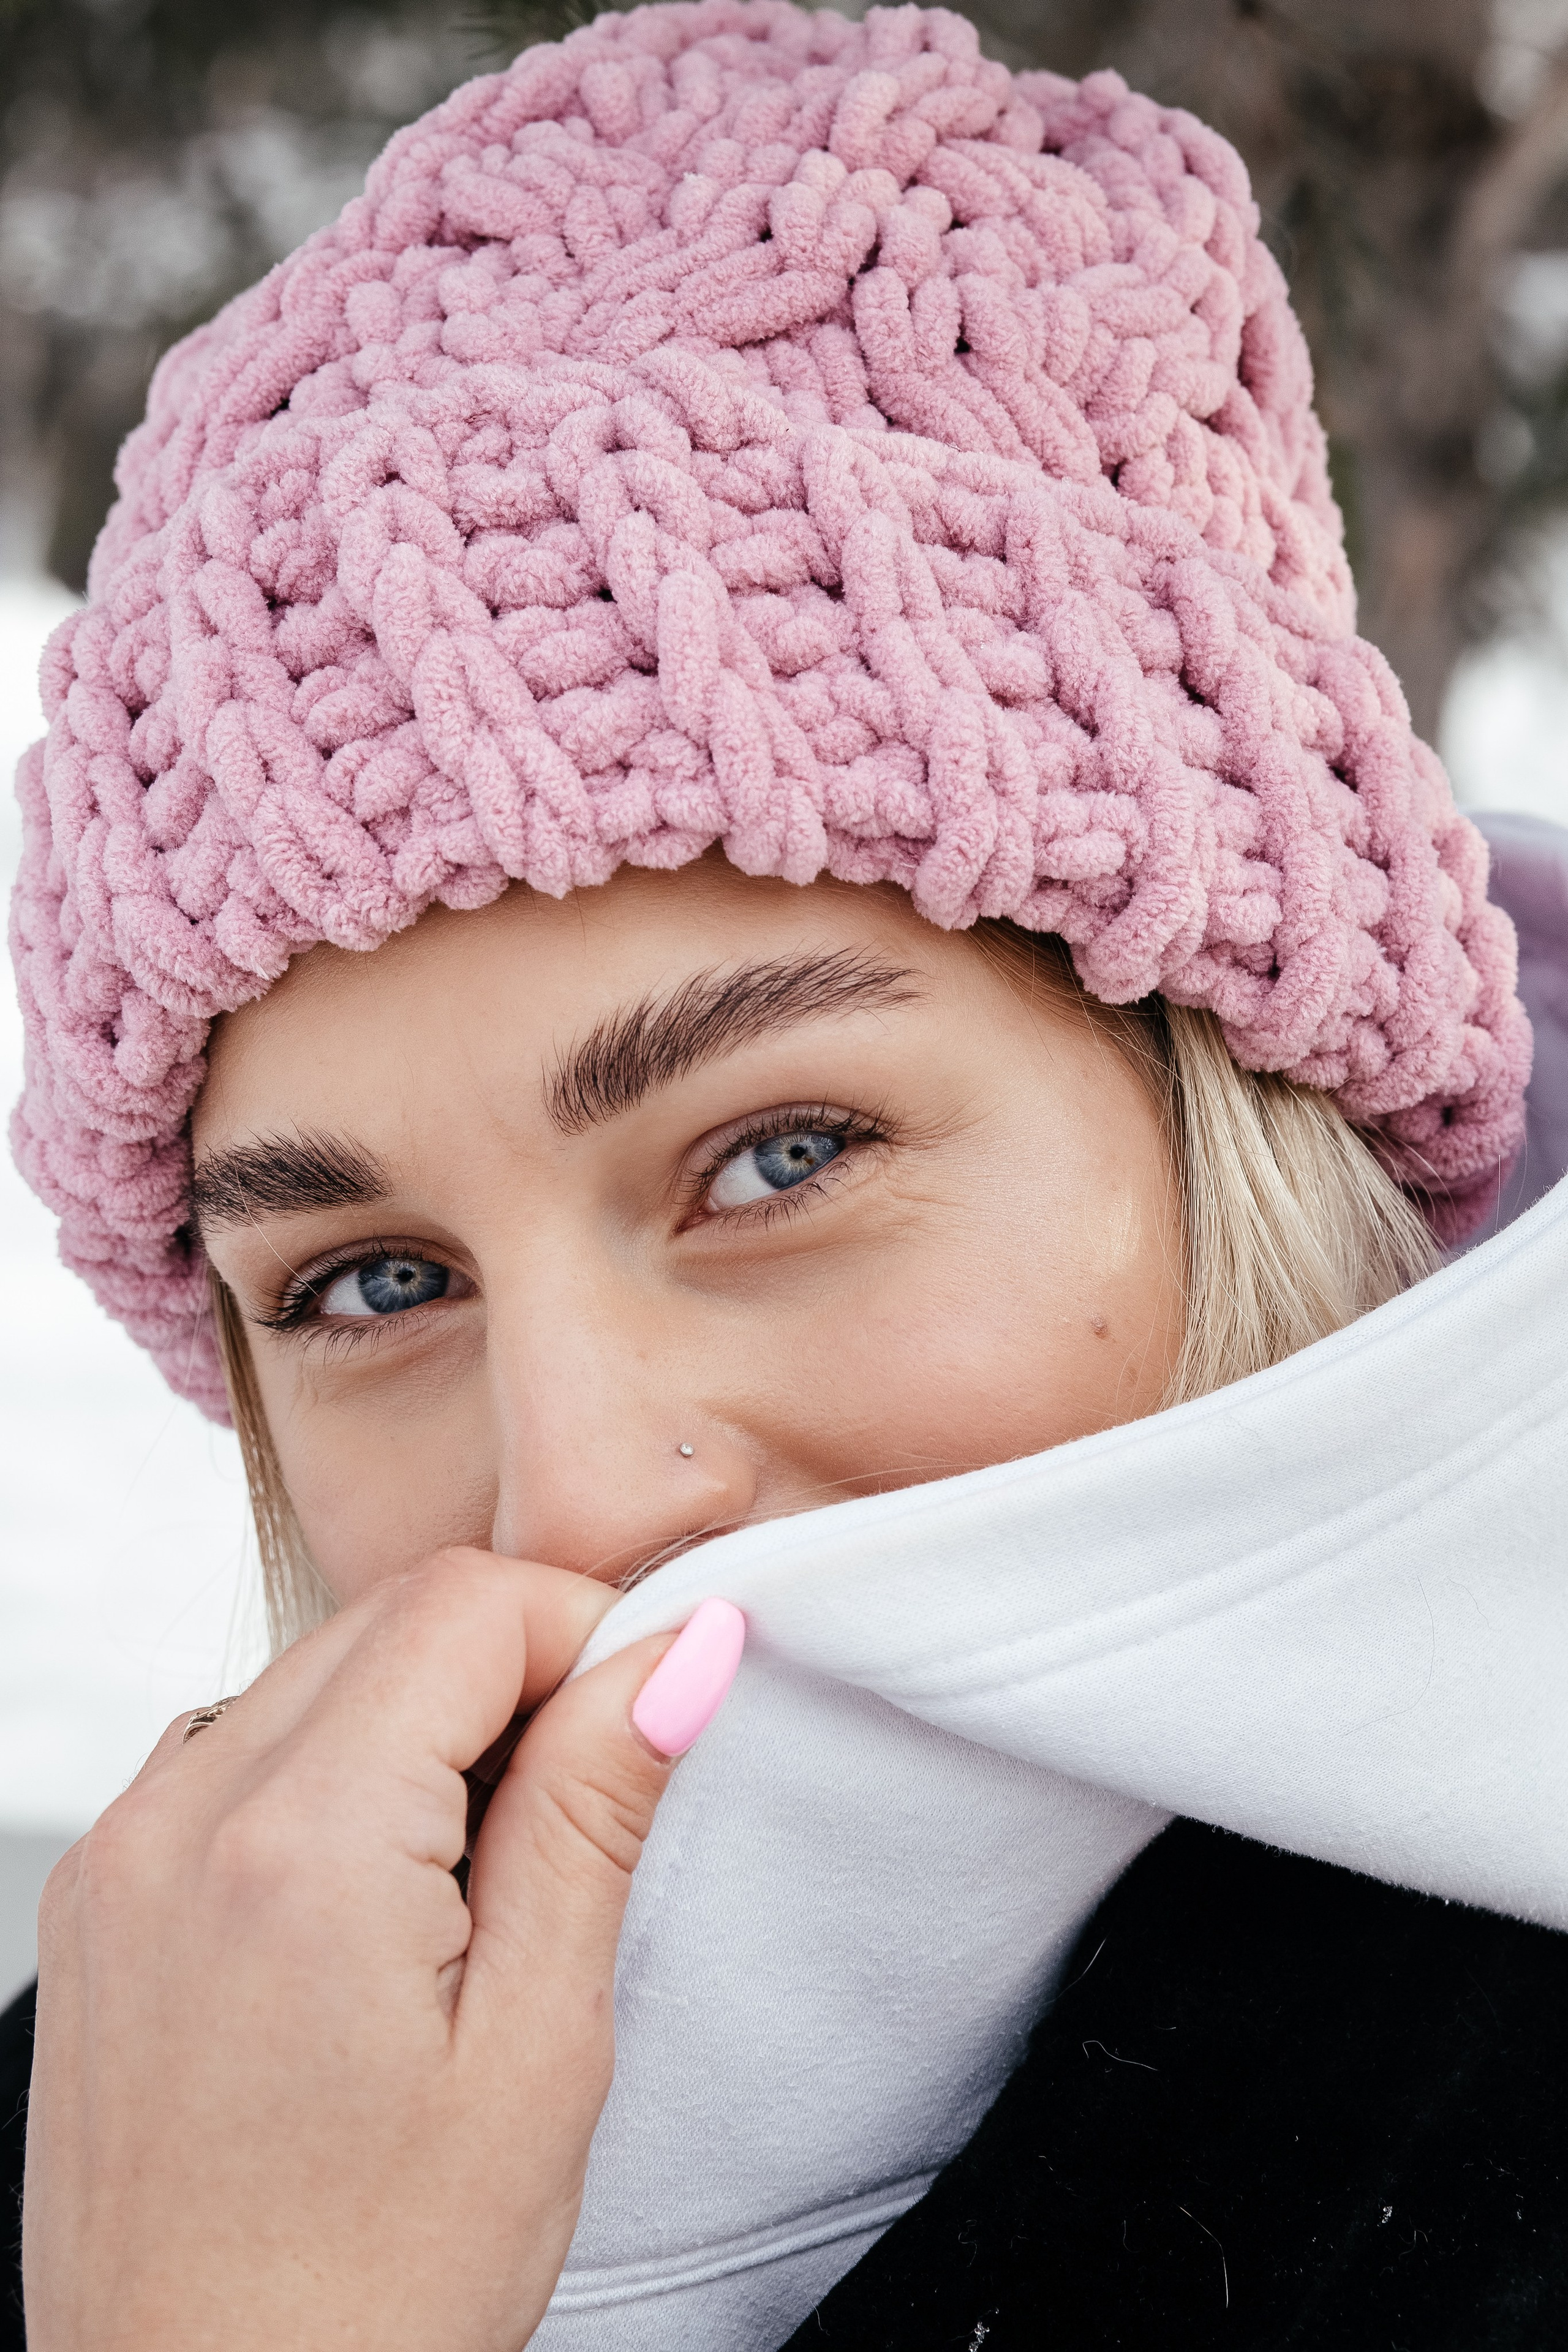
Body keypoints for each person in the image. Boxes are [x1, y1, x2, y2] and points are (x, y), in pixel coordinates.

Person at [5, 5, 1567, 2346]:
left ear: (1240, 1111)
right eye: (364, 1282)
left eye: (784, 1154)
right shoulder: (116, 2117)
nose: (580, 1493)